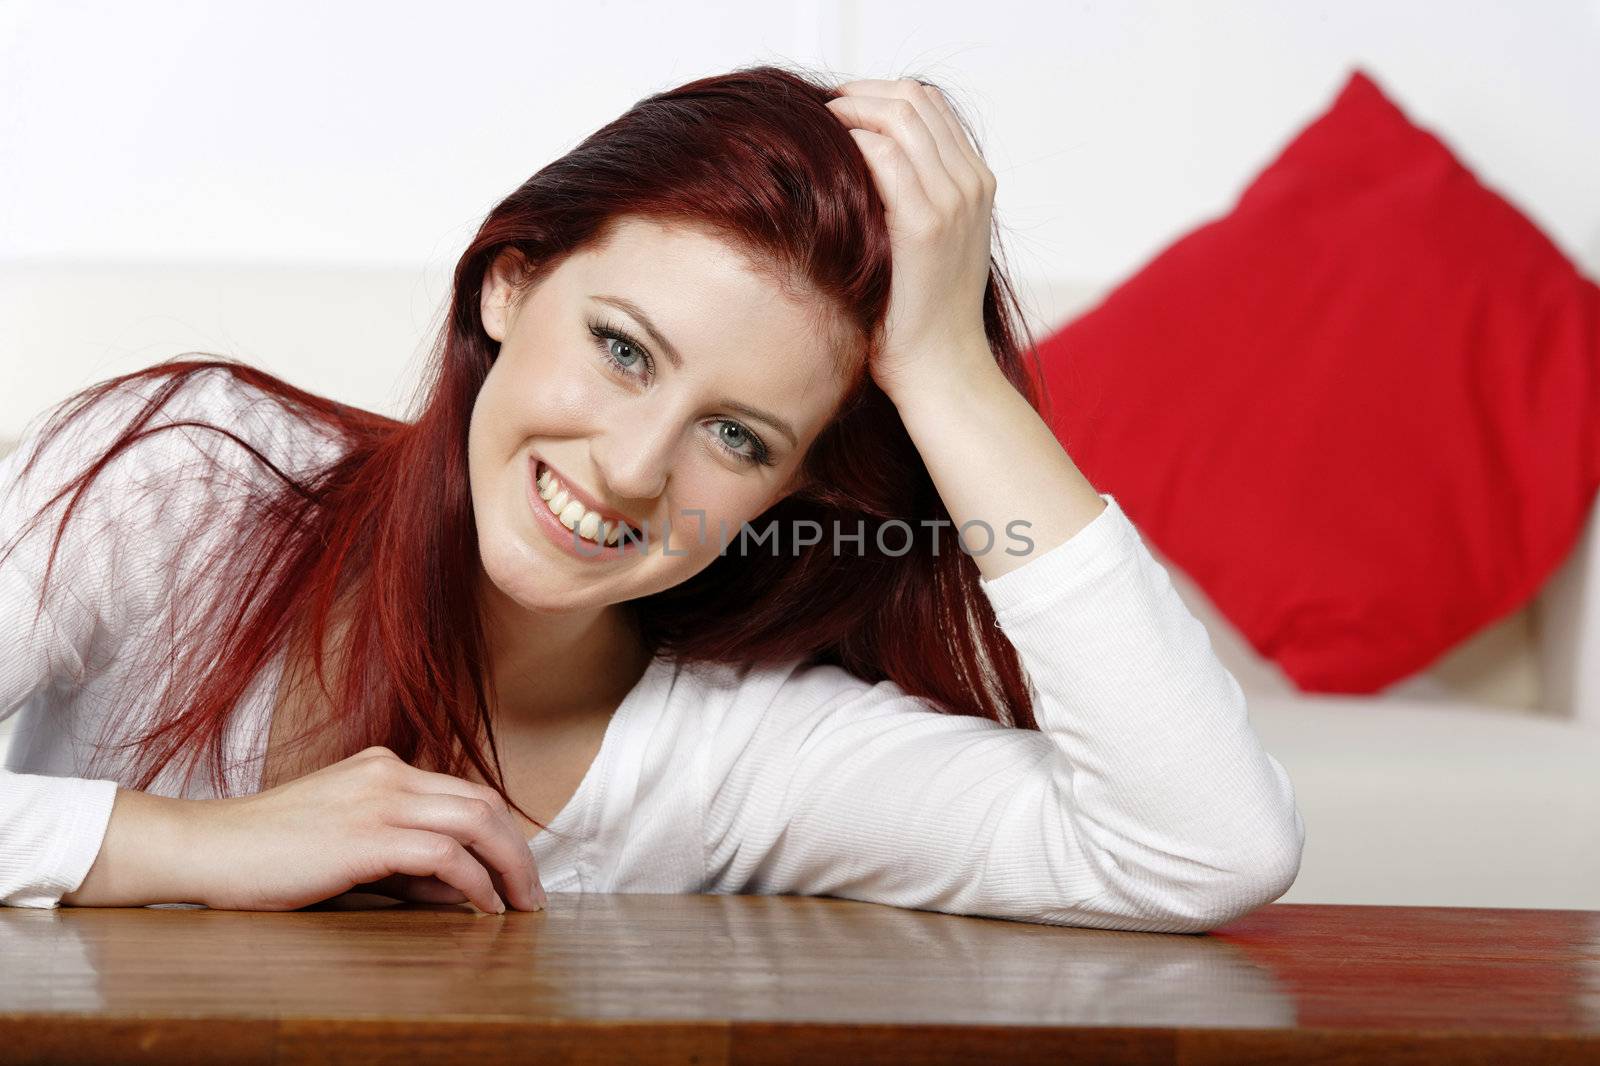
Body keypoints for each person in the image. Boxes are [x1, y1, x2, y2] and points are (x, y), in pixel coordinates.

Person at [0, 65, 1304, 933]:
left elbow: (1201, 844)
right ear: (508, 284)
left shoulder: (739, 759)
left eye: (735, 434)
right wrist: (183, 847)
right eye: (622, 347)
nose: (629, 468)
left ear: (792, 490)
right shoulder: (183, 477)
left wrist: (953, 379)